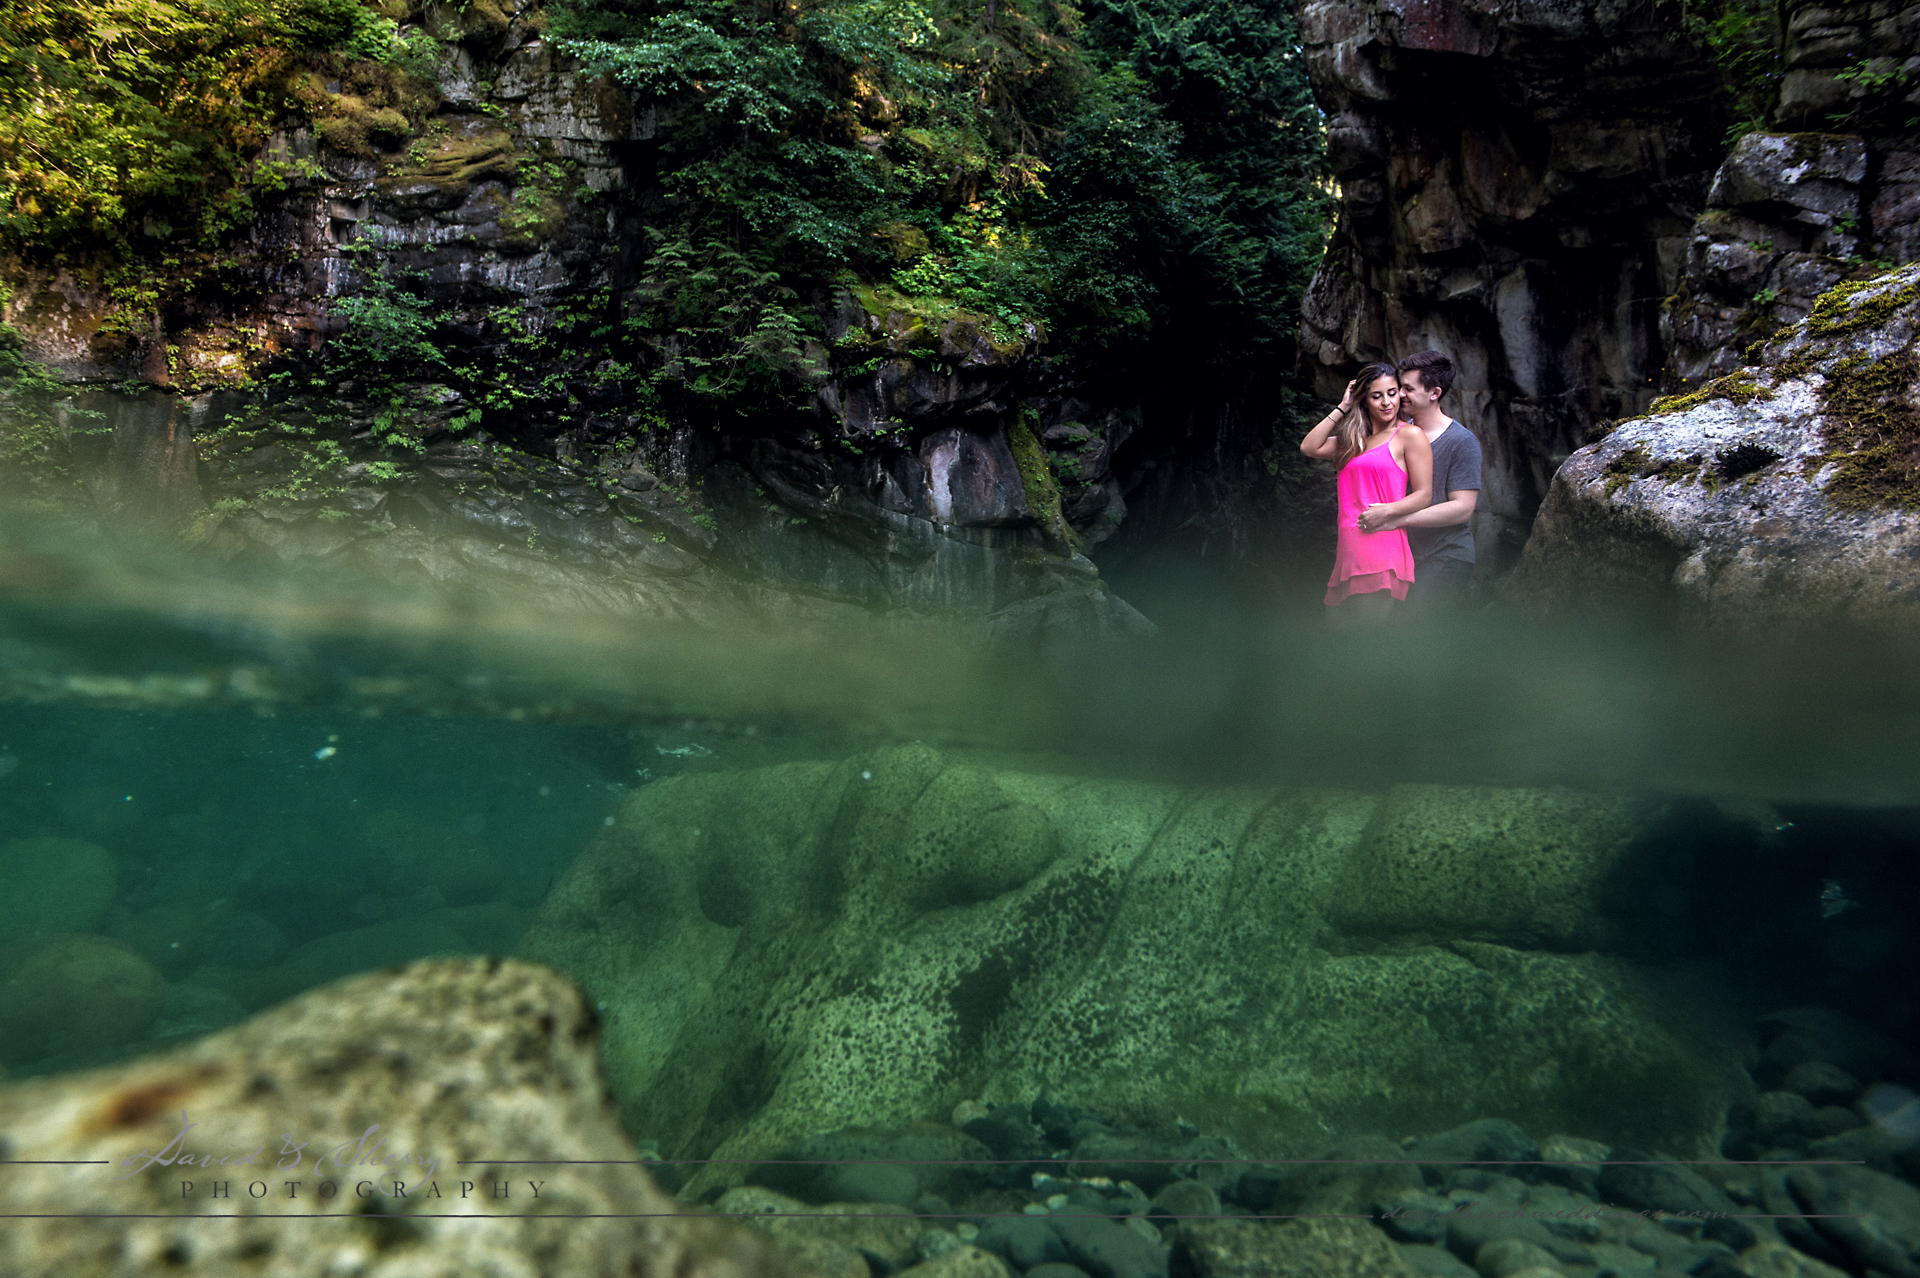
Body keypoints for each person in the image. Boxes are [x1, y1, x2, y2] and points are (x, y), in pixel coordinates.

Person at [1300, 361, 1433, 620]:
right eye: (1376, 396)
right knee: (1337, 634)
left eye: (1392, 393)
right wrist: (1342, 407)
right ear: (1364, 400)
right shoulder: (1353, 440)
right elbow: (1309, 447)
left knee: (1365, 637)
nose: (1386, 402)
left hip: (1381, 542)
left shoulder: (1410, 436)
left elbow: (1424, 495)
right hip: (1349, 547)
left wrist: (1387, 511)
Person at [1356, 350, 1482, 609]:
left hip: (1446, 553)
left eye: (1408, 389)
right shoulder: (1396, 434)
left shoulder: (1461, 441)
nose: (1399, 394)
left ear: (1434, 393)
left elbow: (1462, 508)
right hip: (1402, 554)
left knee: (1414, 627)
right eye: (1400, 386)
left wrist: (1396, 519)